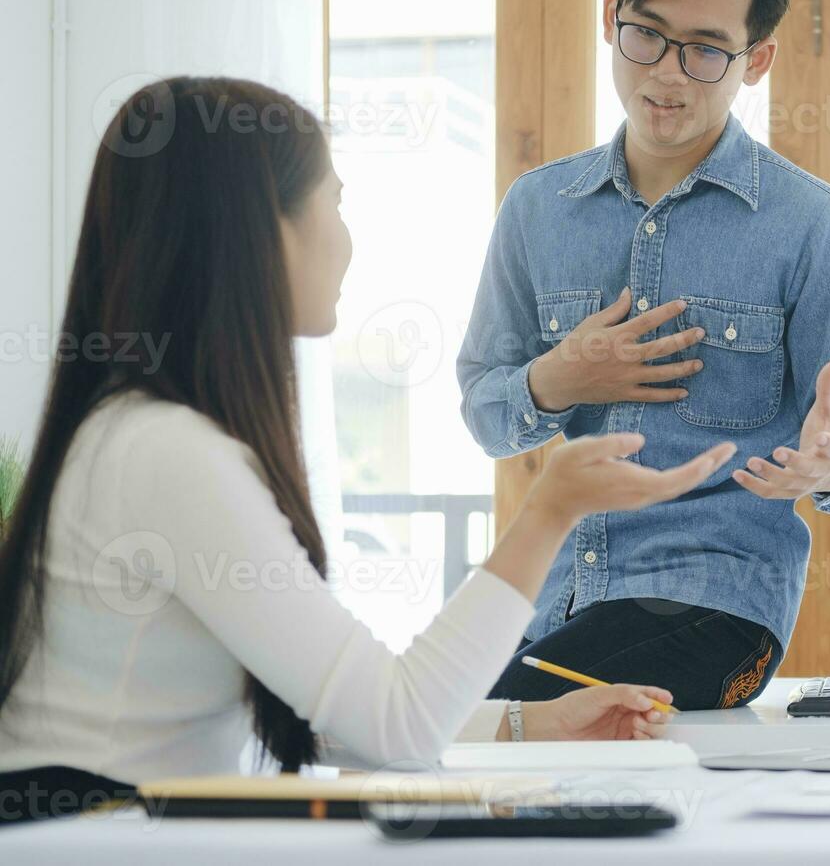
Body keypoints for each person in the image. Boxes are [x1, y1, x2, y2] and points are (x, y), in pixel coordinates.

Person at [0, 77, 734, 826]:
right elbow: (396, 726)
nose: (347, 238)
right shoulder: (165, 451)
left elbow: (333, 711)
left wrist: (530, 722)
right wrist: (549, 510)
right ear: (258, 227)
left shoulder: (136, 431)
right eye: (335, 199)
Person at [459, 0, 830, 710]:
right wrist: (559, 378)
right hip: (556, 600)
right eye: (648, 34)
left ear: (755, 61)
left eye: (705, 50)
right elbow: (487, 414)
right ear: (610, 17)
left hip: (718, 603)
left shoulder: (813, 223)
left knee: (474, 729)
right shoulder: (536, 208)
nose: (666, 71)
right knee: (438, 721)